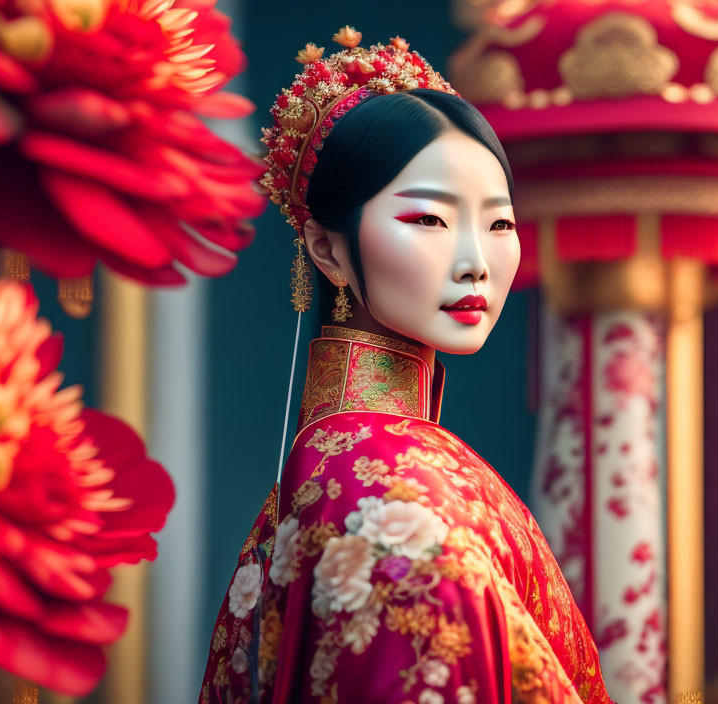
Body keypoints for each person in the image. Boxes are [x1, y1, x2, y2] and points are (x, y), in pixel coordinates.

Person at [198, 27, 612, 704]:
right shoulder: (383, 485)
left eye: (500, 224)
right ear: (327, 251)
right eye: (429, 220)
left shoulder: (366, 461)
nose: (476, 259)